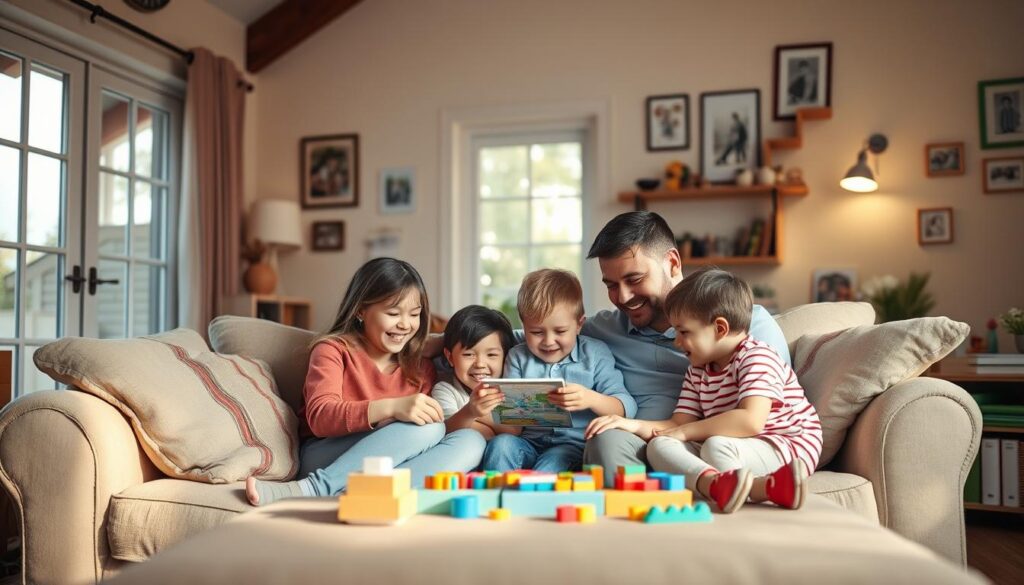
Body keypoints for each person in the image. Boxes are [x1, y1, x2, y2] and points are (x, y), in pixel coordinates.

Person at [245, 258, 485, 506]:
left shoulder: (420, 366)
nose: (405, 324)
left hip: (385, 467)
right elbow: (320, 417)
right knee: (428, 427)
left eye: (414, 314)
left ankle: (375, 499)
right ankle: (316, 488)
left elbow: (490, 342)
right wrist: (392, 407)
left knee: (471, 441)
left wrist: (438, 341)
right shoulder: (334, 350)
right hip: (326, 456)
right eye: (393, 313)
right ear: (361, 310)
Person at [586, 268, 821, 513]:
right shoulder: (698, 370)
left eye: (684, 332)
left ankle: (758, 486)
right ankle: (717, 484)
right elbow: (677, 423)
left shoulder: (757, 356)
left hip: (787, 445)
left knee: (714, 445)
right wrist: (631, 425)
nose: (676, 341)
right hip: (738, 445)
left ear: (719, 328)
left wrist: (686, 432)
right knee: (660, 444)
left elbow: (751, 421)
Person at [581, 211, 789, 486]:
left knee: (712, 449)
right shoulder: (602, 330)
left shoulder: (749, 326)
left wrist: (687, 434)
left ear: (672, 263)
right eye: (611, 285)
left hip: (729, 448)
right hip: (652, 443)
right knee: (607, 439)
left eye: (634, 280)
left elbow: (766, 418)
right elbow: (539, 334)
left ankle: (720, 491)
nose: (623, 297)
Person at [480, 269, 637, 473]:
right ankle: (495, 499)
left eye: (560, 331)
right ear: (523, 325)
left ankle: (536, 502)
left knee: (550, 465)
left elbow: (627, 407)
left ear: (579, 324)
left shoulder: (595, 354)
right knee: (501, 446)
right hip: (528, 442)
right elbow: (512, 424)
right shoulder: (517, 357)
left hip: (571, 446)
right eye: (536, 332)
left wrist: (590, 398)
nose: (548, 341)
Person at [432, 305, 521, 440]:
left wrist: (478, 415)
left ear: (506, 356)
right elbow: (446, 430)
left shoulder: (510, 388)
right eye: (468, 354)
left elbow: (513, 430)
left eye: (491, 354)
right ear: (450, 357)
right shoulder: (445, 390)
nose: (480, 364)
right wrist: (469, 412)